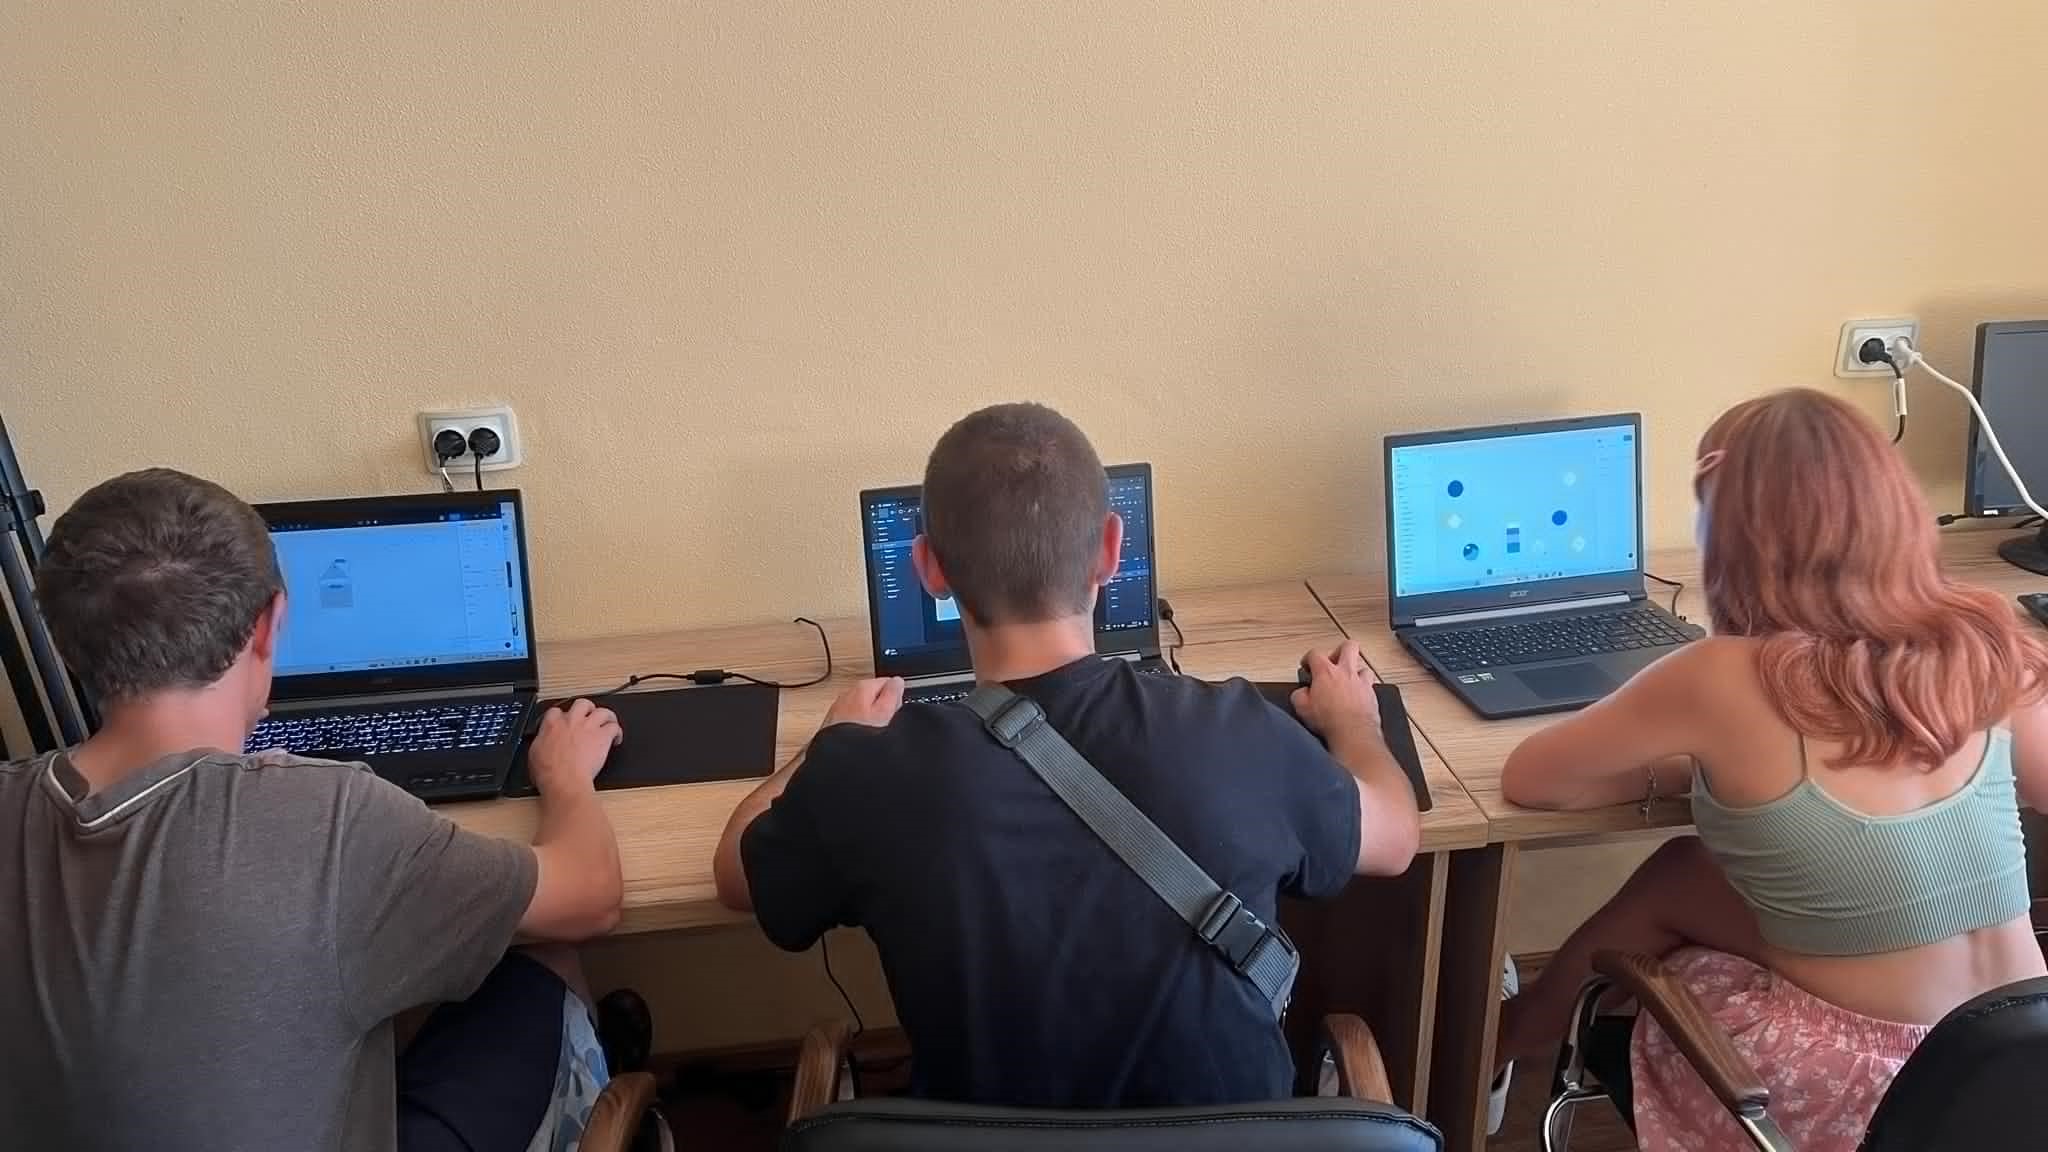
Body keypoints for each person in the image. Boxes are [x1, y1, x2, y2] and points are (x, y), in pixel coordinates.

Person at [714, 402, 1422, 1107]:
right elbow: (1394, 840)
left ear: (928, 567)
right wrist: (1355, 722)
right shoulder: (1240, 730)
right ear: (1112, 552)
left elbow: (737, 871)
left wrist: (830, 743)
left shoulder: (868, 776)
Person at [0, 469, 629, 1152]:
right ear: (270, 624)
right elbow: (590, 897)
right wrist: (566, 776)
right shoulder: (325, 817)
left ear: (64, 642)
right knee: (544, 957)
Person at [1494, 389, 2048, 1150]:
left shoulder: (1723, 675)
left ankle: (1511, 1040)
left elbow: (1533, 779)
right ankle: (1519, 1033)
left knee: (1672, 900)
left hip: (1856, 1097)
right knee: (1683, 872)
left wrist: (1694, 769)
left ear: (1727, 526)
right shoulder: (1987, 638)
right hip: (2015, 1068)